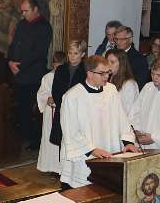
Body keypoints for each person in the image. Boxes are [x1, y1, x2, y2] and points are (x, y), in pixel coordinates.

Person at [59, 55, 138, 188]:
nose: (106, 76)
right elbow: (69, 130)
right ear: (89, 73)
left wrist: (128, 142)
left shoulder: (111, 90)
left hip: (109, 151)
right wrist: (92, 150)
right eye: (102, 73)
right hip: (85, 156)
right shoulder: (72, 96)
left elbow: (121, 118)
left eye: (108, 72)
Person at [7, 0, 53, 150]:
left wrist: (21, 67)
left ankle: (34, 140)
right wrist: (10, 61)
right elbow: (13, 44)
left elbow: (39, 53)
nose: (23, 14)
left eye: (26, 11)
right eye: (22, 11)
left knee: (32, 109)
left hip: (32, 75)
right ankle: (23, 135)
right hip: (17, 73)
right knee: (21, 108)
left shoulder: (44, 27)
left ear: (35, 10)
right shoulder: (22, 24)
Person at [49, 40, 87, 150]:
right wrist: (63, 103)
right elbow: (55, 90)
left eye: (76, 53)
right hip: (62, 108)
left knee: (76, 143)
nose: (72, 56)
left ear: (82, 54)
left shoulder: (86, 70)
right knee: (62, 141)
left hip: (78, 111)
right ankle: (62, 167)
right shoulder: (61, 69)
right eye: (70, 53)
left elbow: (85, 92)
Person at [37, 51, 66, 174]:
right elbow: (41, 94)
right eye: (56, 65)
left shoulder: (66, 76)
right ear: (53, 64)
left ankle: (60, 168)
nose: (57, 67)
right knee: (49, 139)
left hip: (62, 112)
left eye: (60, 65)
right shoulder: (47, 77)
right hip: (50, 113)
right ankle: (50, 166)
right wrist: (47, 99)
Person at [106, 48, 138, 118]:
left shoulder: (129, 84)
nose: (108, 65)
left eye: (112, 62)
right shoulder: (109, 79)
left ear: (121, 64)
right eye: (107, 62)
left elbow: (127, 111)